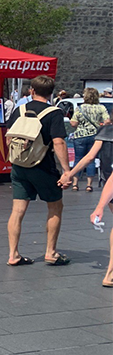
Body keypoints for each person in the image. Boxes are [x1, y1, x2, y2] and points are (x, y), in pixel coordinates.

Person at [6, 75, 69, 266]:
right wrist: (66, 170)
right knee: (55, 206)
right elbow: (58, 142)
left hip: (19, 165)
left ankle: (13, 254)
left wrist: (11, 157)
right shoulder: (54, 113)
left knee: (17, 210)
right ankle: (50, 252)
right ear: (51, 93)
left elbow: (9, 137)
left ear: (31, 91)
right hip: (42, 165)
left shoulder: (20, 109)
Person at [59, 122, 113, 287]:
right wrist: (99, 206)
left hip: (107, 183)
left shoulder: (106, 130)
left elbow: (90, 157)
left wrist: (70, 174)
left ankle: (110, 274)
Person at [69, 87, 110, 192]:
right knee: (91, 160)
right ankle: (89, 185)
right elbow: (107, 121)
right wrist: (99, 124)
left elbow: (73, 123)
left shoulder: (80, 108)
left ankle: (75, 183)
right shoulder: (101, 108)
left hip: (80, 136)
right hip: (95, 136)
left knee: (78, 159)